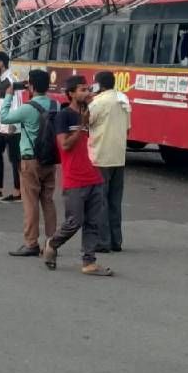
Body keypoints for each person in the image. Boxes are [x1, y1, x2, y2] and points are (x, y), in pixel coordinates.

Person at [42, 76, 112, 277]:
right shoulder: (64, 116)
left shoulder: (88, 114)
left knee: (93, 221)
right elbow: (64, 145)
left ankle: (89, 262)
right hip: (75, 178)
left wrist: (89, 111)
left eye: (87, 89)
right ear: (71, 93)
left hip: (94, 175)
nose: (86, 92)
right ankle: (52, 243)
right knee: (75, 221)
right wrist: (81, 125)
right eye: (82, 89)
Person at [0, 69, 59, 256]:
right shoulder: (55, 105)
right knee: (48, 201)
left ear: (30, 86)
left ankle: (31, 242)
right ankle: (52, 241)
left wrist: (8, 96)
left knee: (30, 202)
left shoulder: (27, 108)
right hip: (50, 159)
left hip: (30, 159)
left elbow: (4, 117)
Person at [88, 71, 131, 252]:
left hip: (101, 157)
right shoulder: (123, 100)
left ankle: (103, 241)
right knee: (115, 201)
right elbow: (128, 128)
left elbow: (87, 123)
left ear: (99, 85)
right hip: (118, 157)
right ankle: (116, 240)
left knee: (100, 201)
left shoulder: (98, 102)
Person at [0, 51, 22, 202]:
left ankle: (17, 192)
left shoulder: (10, 79)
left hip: (11, 127)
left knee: (15, 160)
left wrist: (12, 125)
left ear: (1, 63)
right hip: (1, 127)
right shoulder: (3, 79)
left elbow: (16, 102)